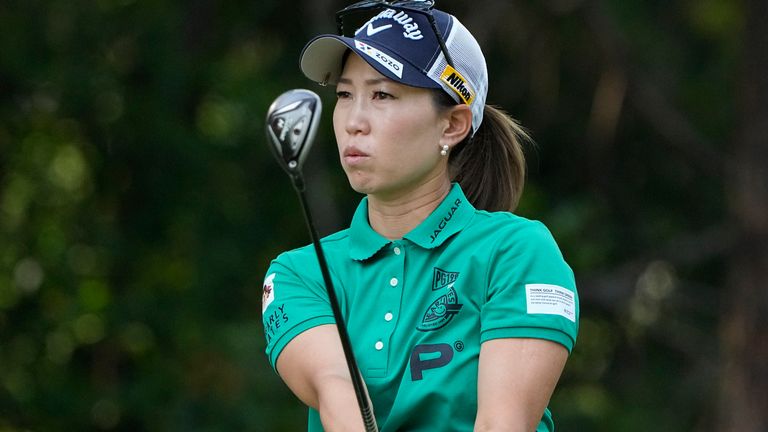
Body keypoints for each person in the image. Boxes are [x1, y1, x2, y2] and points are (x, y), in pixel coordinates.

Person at [261, 1, 579, 430]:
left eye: (382, 95)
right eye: (343, 94)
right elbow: (339, 398)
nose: (353, 121)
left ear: (452, 125)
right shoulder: (299, 273)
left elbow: (503, 424)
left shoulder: (516, 251)